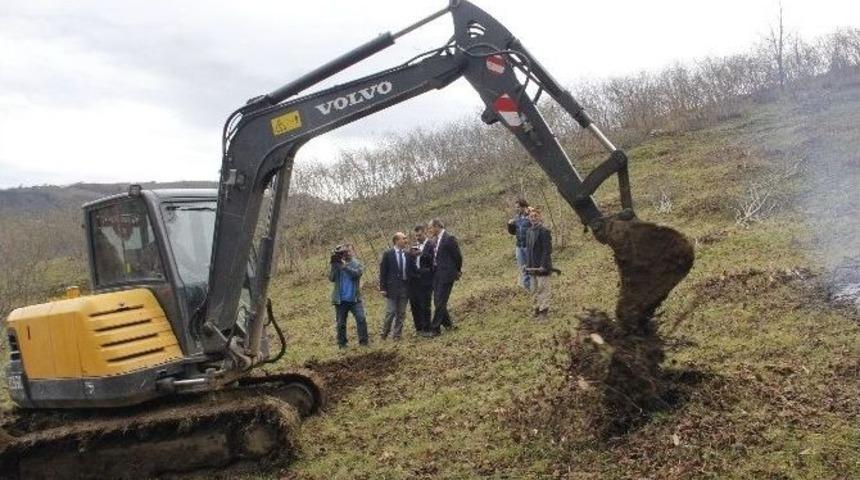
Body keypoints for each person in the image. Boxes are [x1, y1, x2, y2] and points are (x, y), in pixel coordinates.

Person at [421, 219, 462, 337]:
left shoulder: (449, 238)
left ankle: (435, 329)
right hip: (437, 275)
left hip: (447, 275)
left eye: (430, 228)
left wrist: (457, 271)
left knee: (440, 302)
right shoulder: (435, 240)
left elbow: (457, 256)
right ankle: (448, 325)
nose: (429, 230)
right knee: (438, 301)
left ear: (437, 226)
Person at [328, 243, 369, 348]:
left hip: (354, 298)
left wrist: (344, 266)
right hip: (340, 299)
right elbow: (331, 279)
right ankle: (342, 345)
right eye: (343, 252)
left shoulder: (357, 263)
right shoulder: (337, 264)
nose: (346, 254)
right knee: (341, 323)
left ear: (352, 252)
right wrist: (334, 266)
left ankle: (364, 343)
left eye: (348, 251)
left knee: (361, 319)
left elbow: (357, 274)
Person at [379, 232, 412, 340]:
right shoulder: (388, 254)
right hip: (392, 288)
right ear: (397, 241)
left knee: (401, 313)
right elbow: (383, 272)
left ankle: (397, 335)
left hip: (405, 287)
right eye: (403, 238)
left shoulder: (407, 254)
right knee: (391, 312)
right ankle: (384, 333)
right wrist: (383, 288)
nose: (406, 240)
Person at [525, 207, 553, 318]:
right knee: (534, 289)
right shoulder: (528, 231)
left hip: (542, 266)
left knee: (543, 288)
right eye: (531, 216)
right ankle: (537, 308)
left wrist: (542, 265)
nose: (533, 218)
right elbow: (528, 249)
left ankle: (544, 310)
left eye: (535, 216)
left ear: (540, 217)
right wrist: (527, 264)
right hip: (532, 266)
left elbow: (547, 249)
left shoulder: (544, 231)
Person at [407, 225, 435, 334]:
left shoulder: (431, 244)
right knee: (416, 304)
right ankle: (419, 328)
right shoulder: (415, 246)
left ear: (425, 233)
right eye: (416, 236)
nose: (417, 237)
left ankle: (427, 328)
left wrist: (421, 254)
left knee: (426, 304)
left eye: (419, 235)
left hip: (427, 279)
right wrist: (410, 254)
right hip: (415, 280)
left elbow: (433, 259)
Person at [507, 199, 532, 291]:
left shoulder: (531, 216)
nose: (517, 209)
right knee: (523, 267)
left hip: (529, 246)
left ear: (523, 206)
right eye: (516, 207)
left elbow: (538, 224)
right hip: (519, 246)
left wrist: (530, 211)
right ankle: (527, 288)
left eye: (518, 207)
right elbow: (513, 232)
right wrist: (510, 225)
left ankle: (534, 288)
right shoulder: (517, 218)